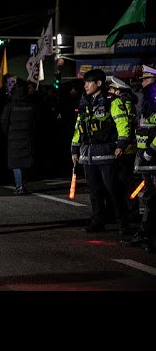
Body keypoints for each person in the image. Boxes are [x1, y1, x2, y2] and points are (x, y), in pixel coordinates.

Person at [71, 68, 131, 235]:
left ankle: (123, 225)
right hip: (88, 154)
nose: (85, 86)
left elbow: (122, 123)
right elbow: (79, 128)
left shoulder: (113, 101)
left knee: (113, 190)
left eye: (89, 82)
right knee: (95, 191)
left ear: (99, 83)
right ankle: (98, 220)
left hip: (106, 152)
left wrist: (121, 144)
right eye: (85, 82)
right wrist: (74, 149)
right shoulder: (84, 102)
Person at [122, 64, 156, 253]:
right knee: (151, 199)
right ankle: (145, 235)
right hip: (147, 161)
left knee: (152, 199)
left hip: (152, 158)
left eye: (146, 79)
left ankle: (146, 236)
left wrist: (149, 152)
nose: (143, 83)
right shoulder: (147, 101)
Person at [107, 75, 140, 224]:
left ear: (118, 91)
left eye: (112, 89)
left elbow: (122, 126)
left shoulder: (120, 103)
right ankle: (130, 212)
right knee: (128, 184)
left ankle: (127, 214)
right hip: (130, 149)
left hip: (123, 150)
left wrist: (119, 145)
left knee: (122, 185)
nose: (109, 92)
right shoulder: (130, 102)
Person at [1, 79, 36, 194]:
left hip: (13, 138)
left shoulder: (9, 107)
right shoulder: (31, 107)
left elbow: (4, 123)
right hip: (27, 138)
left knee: (16, 163)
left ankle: (19, 186)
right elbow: (35, 123)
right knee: (24, 162)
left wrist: (6, 134)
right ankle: (23, 185)